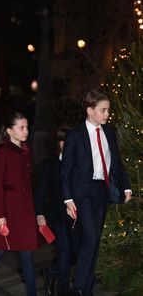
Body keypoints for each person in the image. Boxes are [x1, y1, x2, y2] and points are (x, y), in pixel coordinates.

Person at [61, 90, 131, 296]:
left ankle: (86, 288)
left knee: (96, 240)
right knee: (90, 237)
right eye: (103, 110)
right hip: (82, 193)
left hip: (102, 191)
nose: (107, 114)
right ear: (90, 110)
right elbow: (65, 170)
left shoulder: (109, 131)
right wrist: (68, 198)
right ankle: (79, 287)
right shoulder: (74, 135)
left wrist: (125, 186)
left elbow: (116, 162)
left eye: (108, 110)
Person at [0, 112, 40, 296]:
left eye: (27, 127)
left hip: (24, 211)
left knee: (27, 252)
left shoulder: (26, 151)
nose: (26, 131)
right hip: (6, 210)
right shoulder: (3, 153)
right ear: (10, 131)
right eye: (21, 127)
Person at [35, 126, 77, 296]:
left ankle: (51, 272)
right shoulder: (51, 165)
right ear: (62, 144)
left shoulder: (79, 164)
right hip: (58, 217)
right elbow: (42, 191)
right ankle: (64, 291)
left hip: (76, 218)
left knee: (73, 252)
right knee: (65, 252)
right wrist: (40, 214)